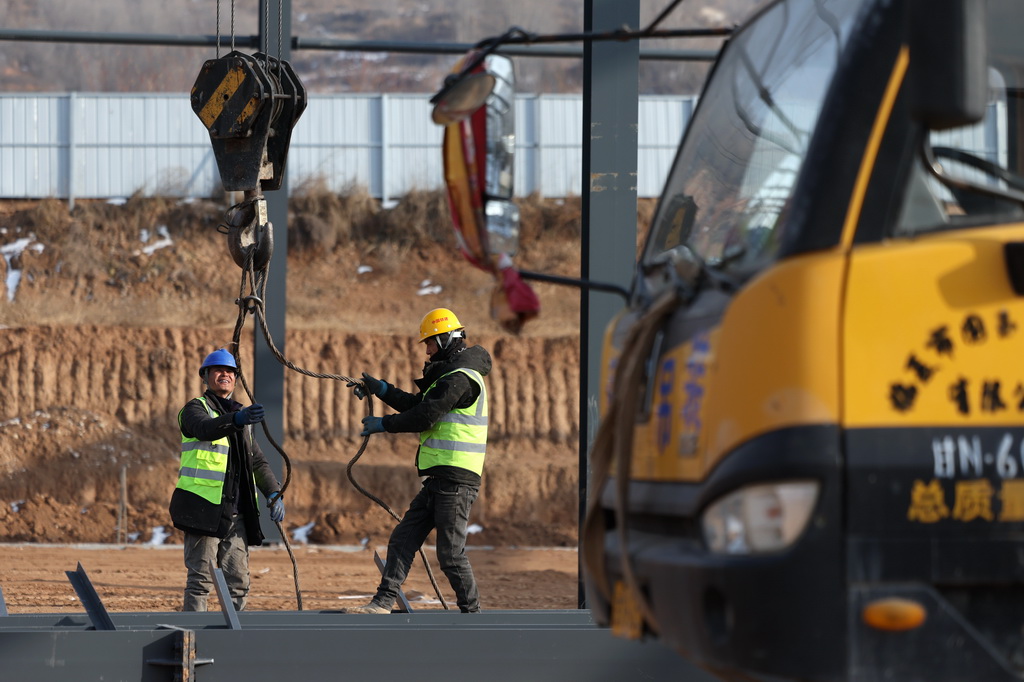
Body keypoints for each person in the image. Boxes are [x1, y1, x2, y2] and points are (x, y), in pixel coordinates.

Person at [342, 308, 492, 614]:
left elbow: (424, 415)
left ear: (448, 338)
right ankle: (383, 601)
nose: (427, 350)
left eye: (431, 343)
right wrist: (381, 389)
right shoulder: (451, 376)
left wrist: (384, 424)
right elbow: (417, 403)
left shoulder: (463, 378)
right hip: (439, 479)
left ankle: (473, 614)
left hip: (457, 479)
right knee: (403, 539)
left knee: (450, 555)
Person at [169, 348, 285, 612]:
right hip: (204, 511)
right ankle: (195, 639)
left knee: (239, 582)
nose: (225, 375)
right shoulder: (194, 409)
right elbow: (204, 429)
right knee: (200, 581)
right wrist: (237, 419)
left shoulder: (242, 419)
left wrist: (273, 492)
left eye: (231, 371)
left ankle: (231, 641)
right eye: (219, 370)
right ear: (206, 376)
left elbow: (257, 462)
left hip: (237, 515)